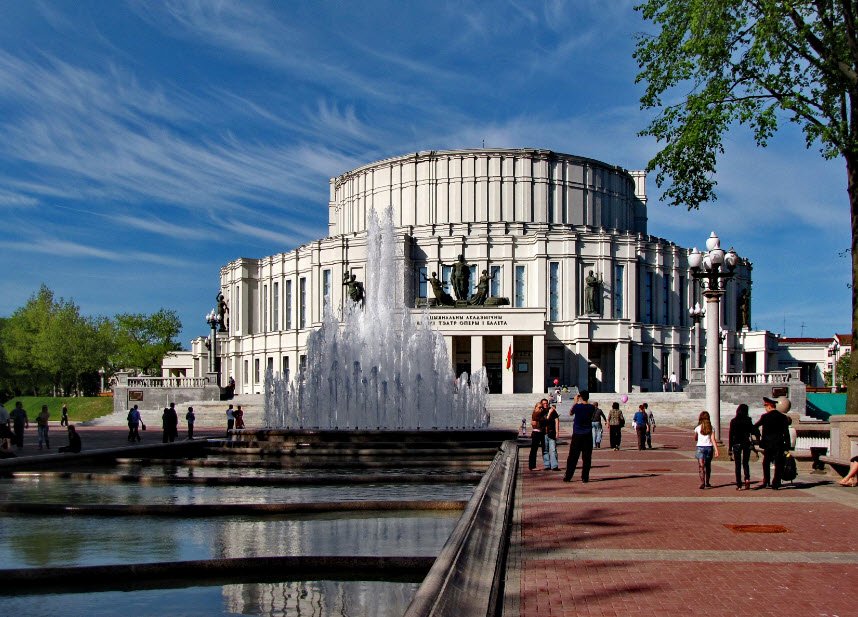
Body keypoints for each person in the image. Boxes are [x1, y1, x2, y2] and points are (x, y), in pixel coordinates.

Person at [754, 396, 791, 489]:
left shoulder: (765, 417)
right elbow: (786, 432)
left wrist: (759, 437)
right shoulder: (783, 417)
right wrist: (788, 445)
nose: (765, 409)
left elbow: (755, 427)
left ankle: (766, 481)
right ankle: (776, 482)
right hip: (779, 443)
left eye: (765, 406)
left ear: (769, 406)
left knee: (766, 462)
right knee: (779, 463)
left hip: (768, 444)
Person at [563, 390, 596, 483]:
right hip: (587, 434)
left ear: (580, 397)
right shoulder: (591, 407)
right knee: (587, 457)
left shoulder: (577, 406)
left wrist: (575, 402)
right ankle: (585, 477)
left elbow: (570, 413)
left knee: (573, 457)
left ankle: (568, 476)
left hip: (577, 434)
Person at [729, 404, 760, 490]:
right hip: (746, 443)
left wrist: (730, 448)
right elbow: (753, 430)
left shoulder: (733, 421)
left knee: (737, 464)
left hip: (736, 443)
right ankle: (747, 479)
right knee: (746, 463)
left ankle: (739, 485)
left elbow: (731, 435)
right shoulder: (748, 420)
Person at [694, 411, 719, 489]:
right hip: (709, 448)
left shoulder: (698, 428)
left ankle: (702, 482)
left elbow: (695, 438)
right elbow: (713, 439)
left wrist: (698, 436)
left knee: (701, 466)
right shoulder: (711, 428)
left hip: (700, 448)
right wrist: (716, 450)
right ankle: (707, 482)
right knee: (708, 465)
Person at [528, 400, 548, 470]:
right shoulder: (536, 414)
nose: (541, 409)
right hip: (536, 433)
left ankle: (546, 464)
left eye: (541, 407)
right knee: (534, 450)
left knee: (542, 449)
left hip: (540, 432)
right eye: (539, 407)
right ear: (535, 407)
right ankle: (532, 466)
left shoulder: (540, 414)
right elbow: (535, 424)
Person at [543, 403, 560, 471]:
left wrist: (557, 432)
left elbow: (557, 421)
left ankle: (554, 466)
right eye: (543, 403)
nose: (545, 405)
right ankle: (547, 465)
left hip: (551, 432)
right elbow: (544, 422)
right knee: (545, 450)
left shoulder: (553, 411)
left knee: (553, 449)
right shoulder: (541, 411)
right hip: (543, 433)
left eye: (546, 403)